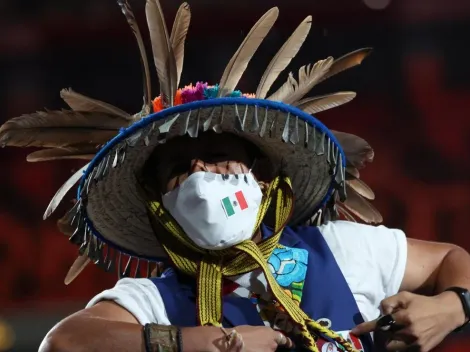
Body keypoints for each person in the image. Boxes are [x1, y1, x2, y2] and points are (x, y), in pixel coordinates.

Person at [1, 1, 470, 351]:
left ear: (262, 177)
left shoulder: (341, 248)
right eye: (179, 170)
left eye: (218, 155)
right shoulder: (155, 299)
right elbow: (63, 343)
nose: (201, 173)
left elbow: (453, 256)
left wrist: (452, 306)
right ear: (158, 205)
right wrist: (196, 343)